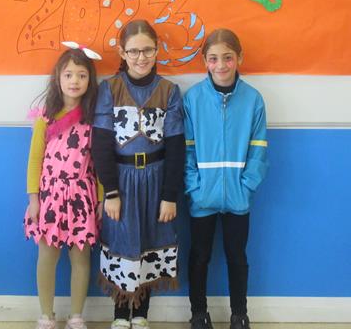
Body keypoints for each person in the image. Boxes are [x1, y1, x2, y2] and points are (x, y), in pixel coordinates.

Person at [92, 20, 185, 329]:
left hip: (157, 180)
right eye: (134, 51)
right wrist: (111, 192)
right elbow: (101, 145)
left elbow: (176, 148)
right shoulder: (110, 89)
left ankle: (142, 313)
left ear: (157, 51)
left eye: (147, 50)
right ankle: (121, 315)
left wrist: (169, 196)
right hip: (121, 180)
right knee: (122, 240)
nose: (141, 57)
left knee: (150, 239)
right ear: (122, 52)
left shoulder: (169, 91)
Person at [183, 28, 268, 329]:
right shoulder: (193, 99)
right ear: (205, 61)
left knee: (237, 256)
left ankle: (239, 314)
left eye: (228, 58)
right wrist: (194, 188)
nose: (221, 65)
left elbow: (258, 149)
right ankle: (198, 314)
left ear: (239, 58)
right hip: (202, 197)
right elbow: (187, 150)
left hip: (238, 196)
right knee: (199, 256)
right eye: (214, 58)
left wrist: (246, 187)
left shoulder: (253, 99)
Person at [24, 45, 103, 329]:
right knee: (47, 255)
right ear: (58, 78)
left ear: (89, 80)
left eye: (81, 75)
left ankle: (76, 315)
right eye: (68, 74)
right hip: (50, 197)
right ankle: (46, 315)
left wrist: (101, 199)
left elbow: (100, 162)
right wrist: (34, 199)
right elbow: (34, 160)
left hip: (83, 197)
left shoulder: (94, 118)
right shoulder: (45, 117)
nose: (74, 81)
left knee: (81, 258)